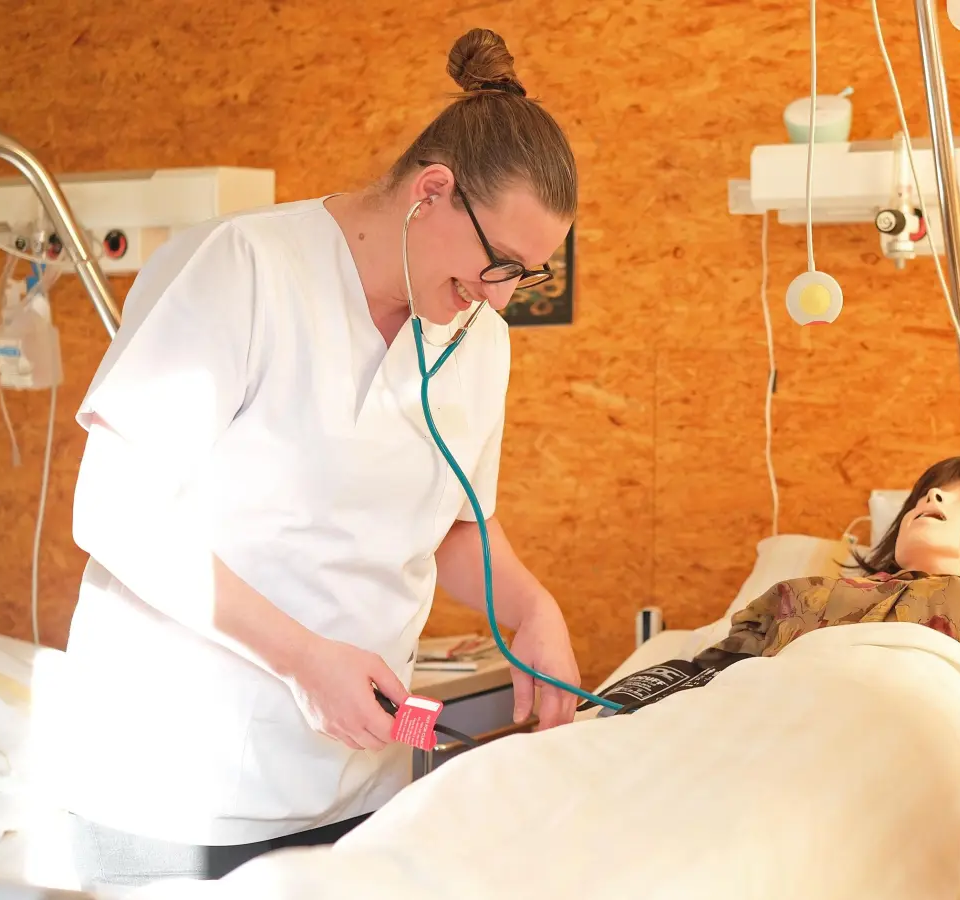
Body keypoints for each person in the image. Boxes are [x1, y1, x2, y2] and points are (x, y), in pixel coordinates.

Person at [40, 28, 584, 887]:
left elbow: (447, 523)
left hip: (360, 781)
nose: (502, 296)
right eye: (501, 264)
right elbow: (112, 510)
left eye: (527, 276)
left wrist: (531, 606)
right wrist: (302, 657)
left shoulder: (476, 339)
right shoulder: (245, 269)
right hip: (182, 781)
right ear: (431, 193)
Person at [595, 457, 960, 900]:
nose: (932, 500)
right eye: (925, 495)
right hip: (747, 724)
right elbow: (699, 675)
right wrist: (595, 718)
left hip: (900, 742)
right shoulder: (799, 595)